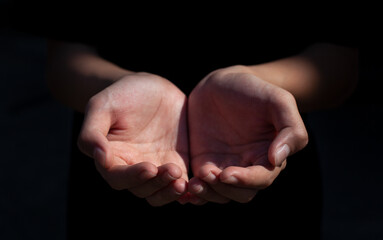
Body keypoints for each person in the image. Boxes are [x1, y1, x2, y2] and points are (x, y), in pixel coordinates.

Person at [9, 2, 358, 238]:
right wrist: (114, 88)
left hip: (258, 150)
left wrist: (268, 88)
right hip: (124, 153)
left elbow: (339, 63)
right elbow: (65, 60)